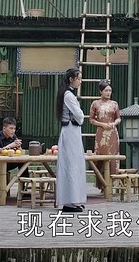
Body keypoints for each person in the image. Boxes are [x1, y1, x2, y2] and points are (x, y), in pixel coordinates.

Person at [55, 68, 87, 213]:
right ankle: (69, 201)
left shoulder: (67, 94)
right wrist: (80, 118)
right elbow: (79, 115)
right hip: (70, 131)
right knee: (71, 165)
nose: (80, 81)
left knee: (74, 164)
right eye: (78, 78)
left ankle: (74, 200)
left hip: (72, 131)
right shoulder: (68, 95)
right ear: (71, 79)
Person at [88, 79, 121, 191]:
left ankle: (112, 184)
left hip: (112, 133)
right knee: (100, 158)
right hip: (101, 133)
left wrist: (113, 124)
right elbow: (91, 119)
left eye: (110, 91)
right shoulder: (95, 103)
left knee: (113, 158)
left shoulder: (114, 104)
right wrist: (102, 124)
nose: (108, 93)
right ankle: (101, 184)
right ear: (101, 91)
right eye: (106, 90)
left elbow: (118, 118)